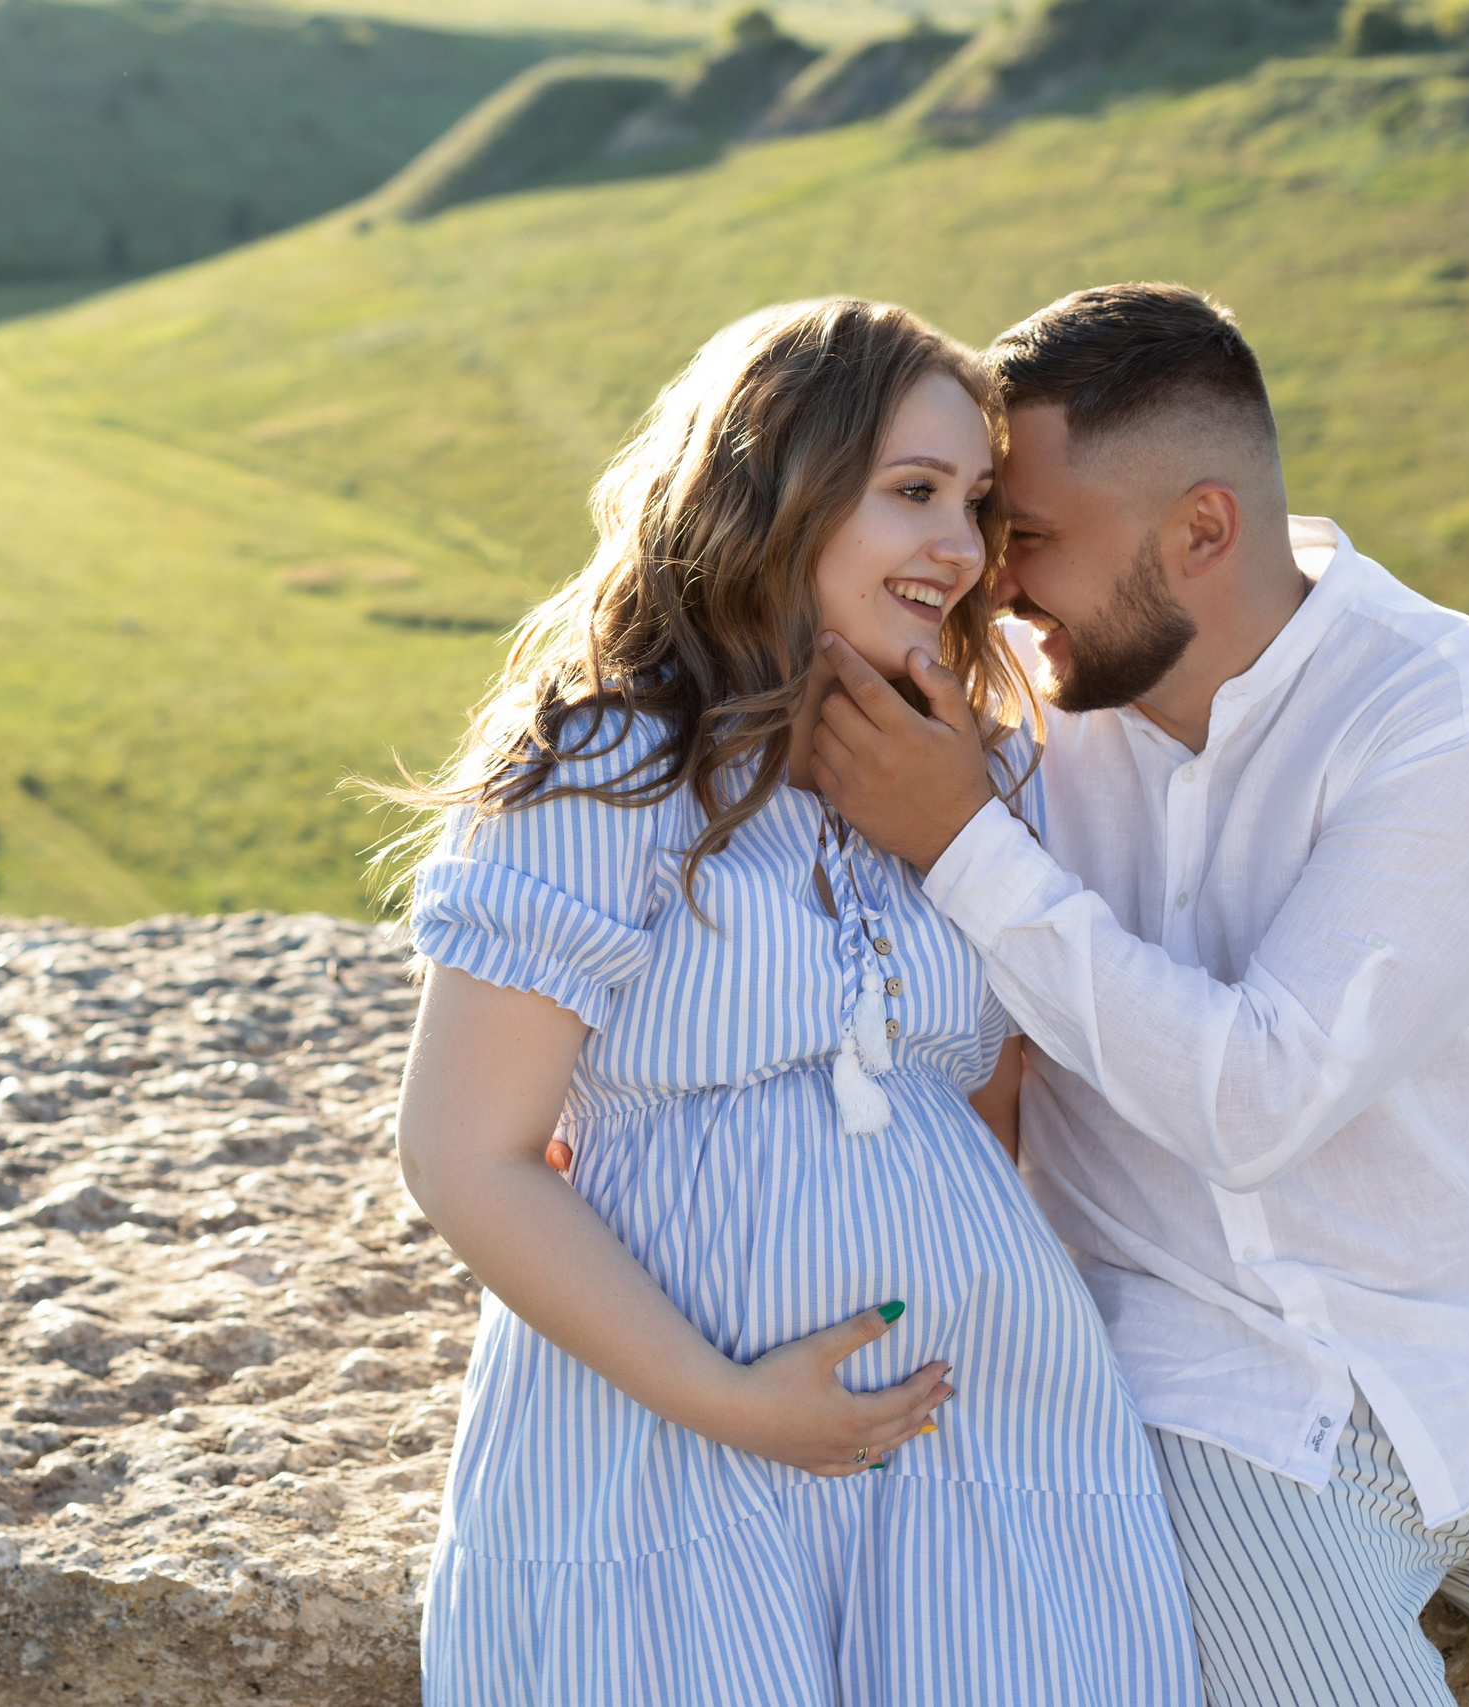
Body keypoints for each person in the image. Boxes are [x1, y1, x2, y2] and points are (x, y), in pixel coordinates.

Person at [808, 280, 1469, 1706]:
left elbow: (1260, 1100)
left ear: (1202, 529)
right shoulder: (1004, 714)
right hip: (1206, 1400)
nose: (994, 581)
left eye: (1035, 541)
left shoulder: (1448, 711)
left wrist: (964, 843)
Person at [384, 297, 1201, 1705]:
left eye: (979, 503)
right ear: (775, 485)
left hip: (976, 1438)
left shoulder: (986, 775)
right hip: (667, 1442)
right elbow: (464, 1155)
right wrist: (731, 1398)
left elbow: (995, 1112)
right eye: (913, 493)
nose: (960, 546)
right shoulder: (606, 767)